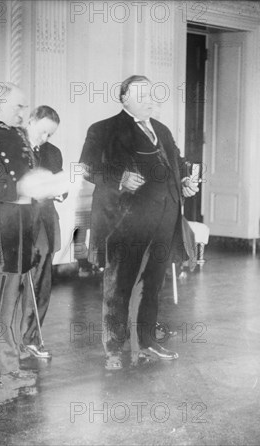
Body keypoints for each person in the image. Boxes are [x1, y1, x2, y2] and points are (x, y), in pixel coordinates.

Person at [79, 75, 199, 370]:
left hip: (165, 218)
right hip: (126, 220)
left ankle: (147, 340)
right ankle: (115, 349)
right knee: (119, 285)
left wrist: (184, 179)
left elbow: (178, 162)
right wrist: (119, 179)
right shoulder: (104, 129)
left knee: (153, 283)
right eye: (141, 94)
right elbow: (85, 168)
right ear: (124, 99)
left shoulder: (162, 129)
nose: (150, 98)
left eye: (151, 93)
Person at [0, 83, 38, 389]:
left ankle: (9, 368)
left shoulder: (21, 135)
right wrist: (23, 190)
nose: (24, 113)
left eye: (24, 107)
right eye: (18, 107)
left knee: (9, 305)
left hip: (20, 231)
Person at [20, 106, 63, 359]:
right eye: (43, 131)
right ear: (31, 121)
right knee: (21, 285)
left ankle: (32, 338)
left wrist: (60, 190)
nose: (45, 138)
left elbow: (61, 184)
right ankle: (14, 341)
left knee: (42, 284)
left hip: (46, 224)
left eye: (50, 134)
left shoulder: (53, 152)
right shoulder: (16, 147)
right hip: (22, 223)